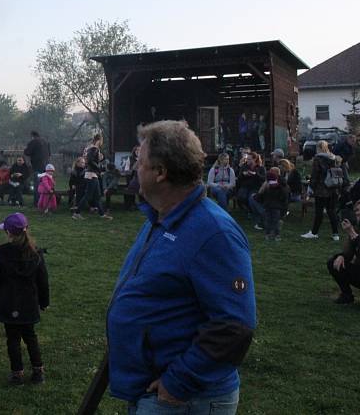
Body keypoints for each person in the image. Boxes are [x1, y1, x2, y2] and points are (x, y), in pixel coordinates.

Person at [107, 120, 256, 415]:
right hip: (151, 385)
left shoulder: (214, 233)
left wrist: (178, 383)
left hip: (185, 398)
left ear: (160, 172)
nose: (134, 167)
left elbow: (235, 326)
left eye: (140, 161)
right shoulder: (162, 217)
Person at [0, 212, 49, 385]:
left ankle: (17, 374)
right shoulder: (35, 254)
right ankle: (38, 372)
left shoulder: (2, 254)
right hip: (28, 303)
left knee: (13, 339)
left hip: (9, 303)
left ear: (8, 233)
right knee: (30, 336)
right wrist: (44, 302)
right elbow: (43, 280)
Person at [301, 140, 341, 241]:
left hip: (321, 189)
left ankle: (314, 233)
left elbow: (315, 175)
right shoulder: (334, 158)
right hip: (333, 188)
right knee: (332, 212)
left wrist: (310, 188)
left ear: (318, 148)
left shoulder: (318, 159)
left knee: (319, 212)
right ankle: (335, 234)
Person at [326, 200, 360, 304]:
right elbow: (348, 252)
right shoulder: (357, 229)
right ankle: (347, 295)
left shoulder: (354, 231)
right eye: (357, 210)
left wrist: (352, 233)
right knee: (334, 262)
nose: (358, 213)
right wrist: (342, 256)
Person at [73, 134, 112, 220]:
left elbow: (91, 160)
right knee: (88, 196)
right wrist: (99, 169)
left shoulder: (90, 148)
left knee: (97, 196)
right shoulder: (94, 148)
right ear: (99, 140)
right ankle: (77, 213)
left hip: (92, 174)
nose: (102, 142)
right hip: (91, 175)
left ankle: (102, 214)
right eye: (102, 140)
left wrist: (99, 161)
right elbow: (90, 161)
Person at [254, 167, 289, 242]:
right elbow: (284, 197)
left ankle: (269, 234)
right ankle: (276, 235)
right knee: (275, 221)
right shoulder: (281, 186)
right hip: (276, 207)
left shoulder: (267, 186)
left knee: (269, 221)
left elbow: (260, 196)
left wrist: (256, 196)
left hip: (270, 206)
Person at [24, 131, 51, 207]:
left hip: (38, 166)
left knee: (38, 185)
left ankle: (37, 202)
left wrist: (25, 148)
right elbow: (49, 154)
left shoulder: (33, 141)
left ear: (32, 136)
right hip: (46, 167)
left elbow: (27, 152)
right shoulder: (46, 142)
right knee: (45, 184)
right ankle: (46, 201)